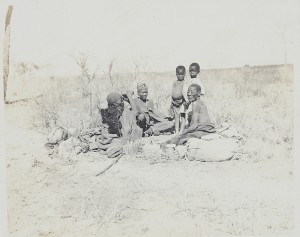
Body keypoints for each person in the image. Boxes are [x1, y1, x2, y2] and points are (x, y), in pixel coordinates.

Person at [169, 65, 187, 134]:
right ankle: (177, 131)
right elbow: (172, 91)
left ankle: (181, 131)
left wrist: (184, 101)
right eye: (179, 74)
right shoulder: (174, 82)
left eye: (182, 74)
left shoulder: (185, 82)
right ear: (176, 74)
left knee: (183, 116)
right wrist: (172, 101)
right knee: (176, 117)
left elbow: (185, 93)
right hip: (175, 102)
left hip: (182, 102)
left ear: (185, 74)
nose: (181, 76)